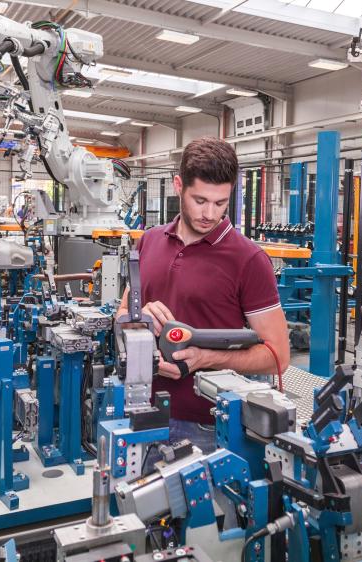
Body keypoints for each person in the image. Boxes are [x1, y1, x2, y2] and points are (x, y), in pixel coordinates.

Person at [117, 137, 290, 455]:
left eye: (220, 203)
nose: (210, 213)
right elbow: (123, 311)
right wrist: (137, 320)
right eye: (200, 200)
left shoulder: (248, 260)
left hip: (207, 428)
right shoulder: (149, 241)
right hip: (142, 412)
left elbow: (278, 356)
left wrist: (206, 358)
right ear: (178, 185)